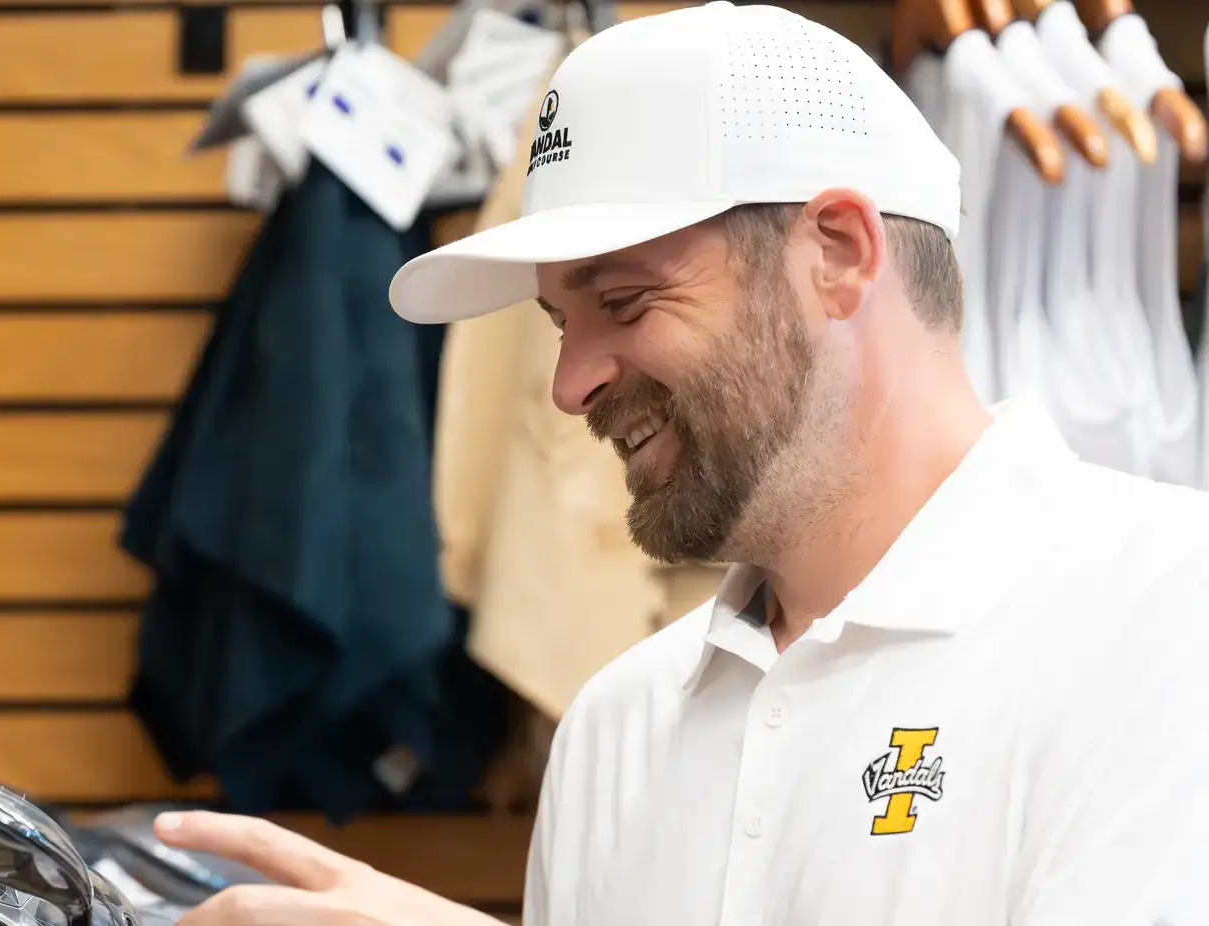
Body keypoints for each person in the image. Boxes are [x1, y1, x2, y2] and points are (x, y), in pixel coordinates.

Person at [144, 3, 1209, 925]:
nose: (571, 385)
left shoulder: (1166, 617)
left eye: (624, 300)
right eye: (558, 321)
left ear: (839, 254)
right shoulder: (618, 724)